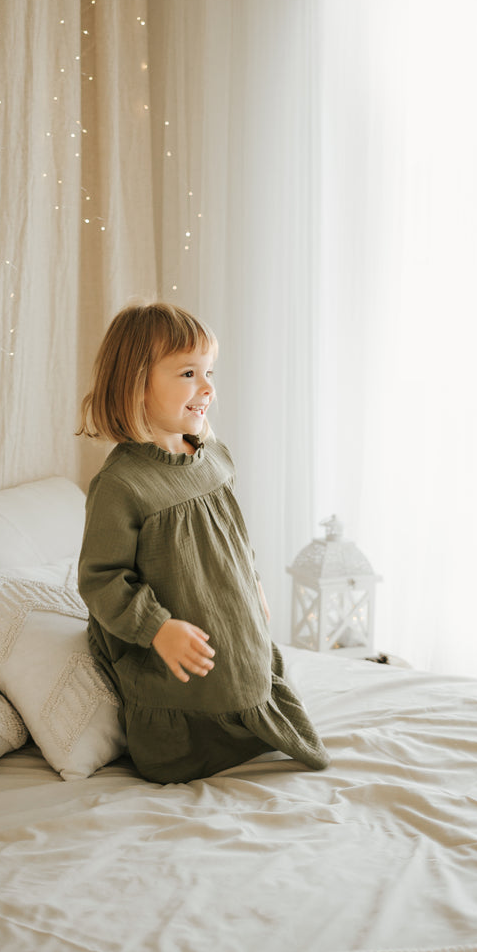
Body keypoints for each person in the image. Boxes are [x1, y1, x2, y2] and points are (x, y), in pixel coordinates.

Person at [76, 299, 330, 785]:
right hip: (179, 660)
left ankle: (250, 714)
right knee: (199, 695)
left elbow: (233, 536)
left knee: (243, 674)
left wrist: (251, 581)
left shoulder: (212, 455)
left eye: (209, 372)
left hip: (229, 622)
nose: (207, 388)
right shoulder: (122, 486)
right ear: (136, 382)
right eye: (188, 373)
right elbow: (101, 580)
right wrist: (157, 627)